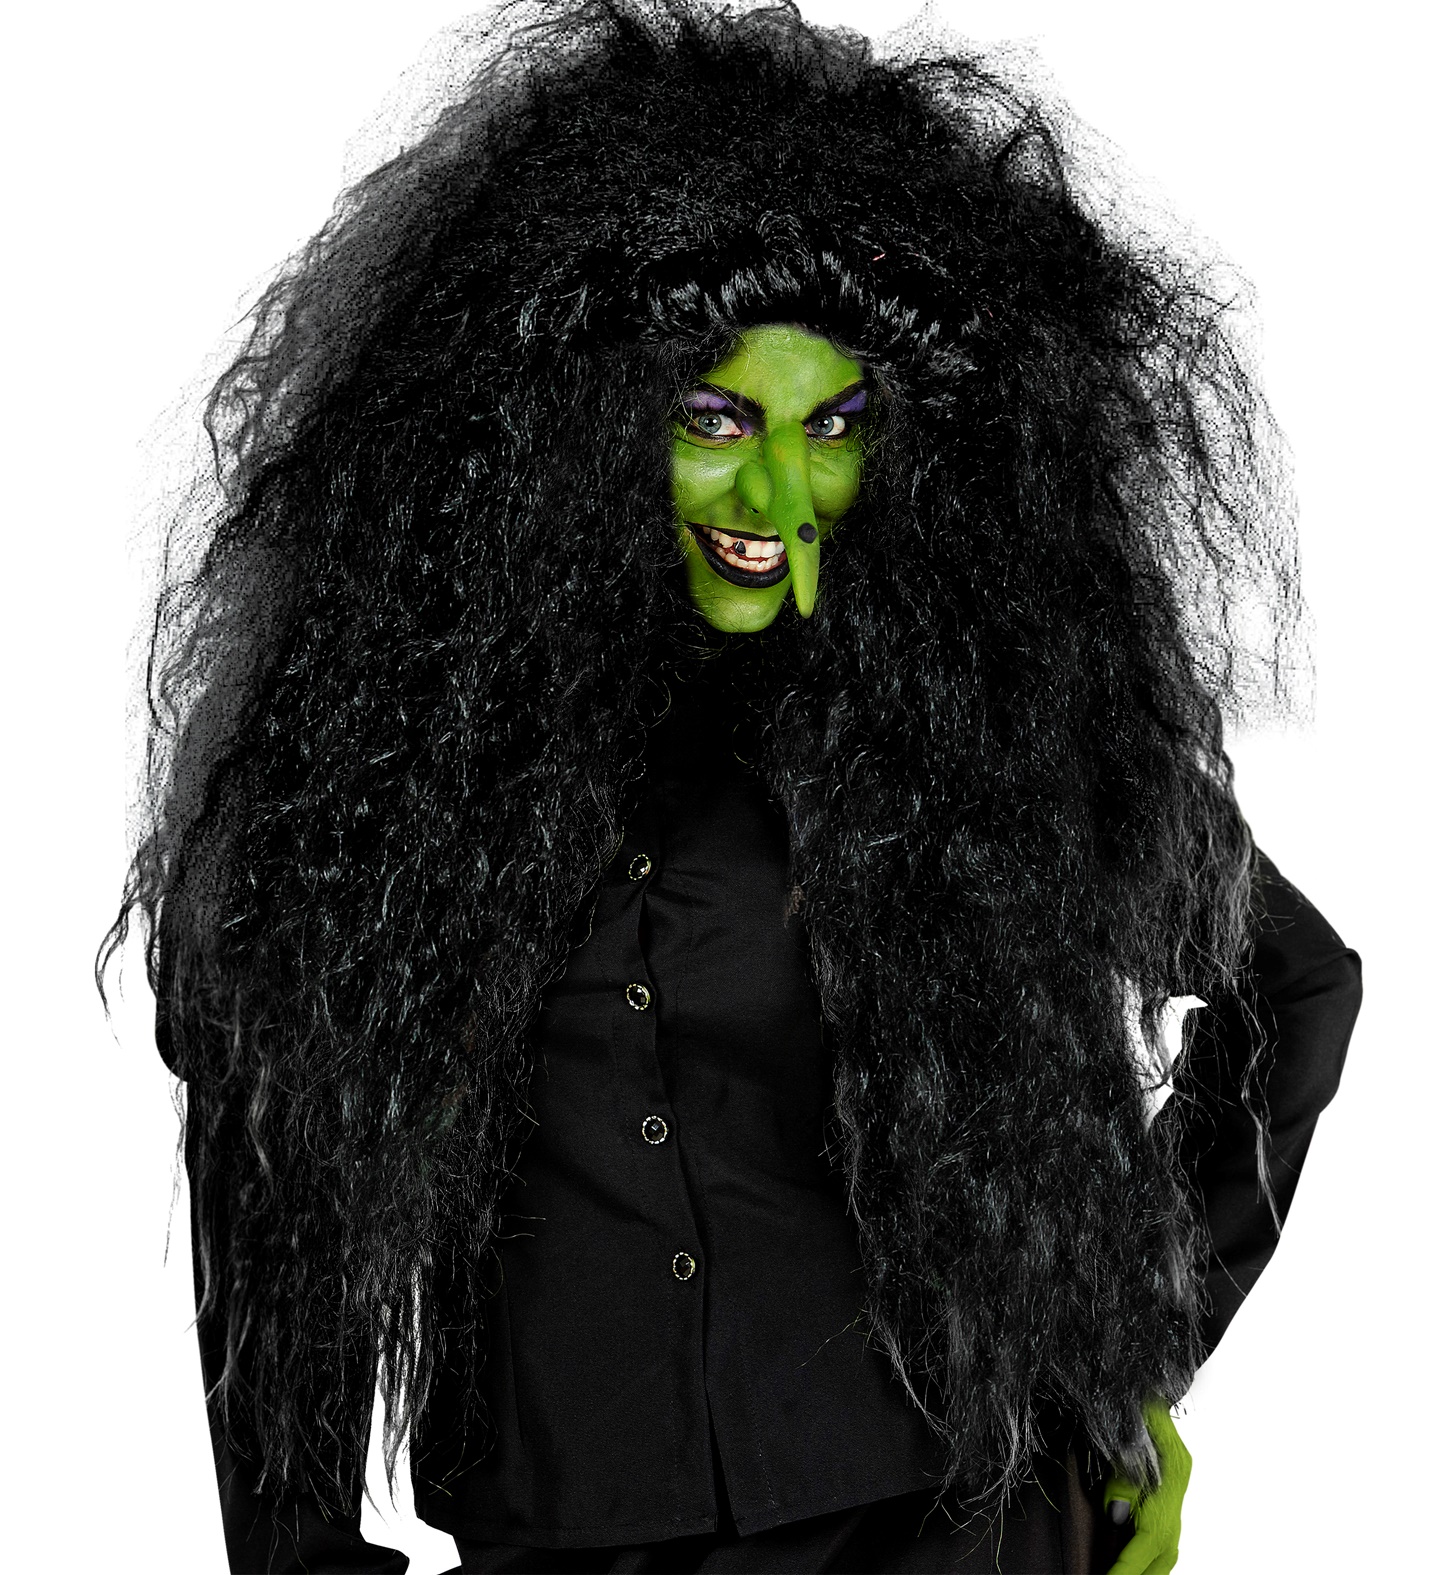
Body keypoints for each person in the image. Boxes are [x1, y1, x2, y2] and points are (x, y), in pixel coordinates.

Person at [104, 2, 1362, 1569]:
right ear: (561, 428)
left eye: (832, 428)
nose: (776, 491)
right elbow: (272, 1178)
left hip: (946, 1514)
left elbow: (1291, 990)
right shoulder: (377, 770)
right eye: (714, 420)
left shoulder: (980, 726)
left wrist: (1123, 1361)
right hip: (575, 1526)